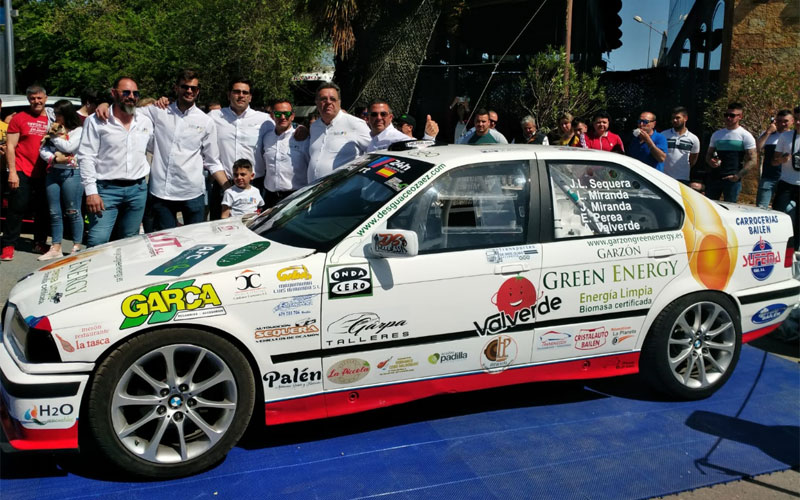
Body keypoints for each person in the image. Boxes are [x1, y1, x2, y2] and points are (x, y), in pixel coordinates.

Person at [97, 69, 230, 229]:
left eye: (193, 88)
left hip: (192, 192)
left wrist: (230, 188)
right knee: (166, 244)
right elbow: (126, 108)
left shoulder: (206, 121)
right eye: (185, 87)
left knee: (195, 242)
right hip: (161, 192)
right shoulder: (157, 111)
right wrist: (105, 104)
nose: (189, 91)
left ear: (198, 91)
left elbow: (212, 161)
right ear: (176, 88)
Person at [78, 76, 154, 247]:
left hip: (137, 190)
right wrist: (91, 192)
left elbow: (155, 148)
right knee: (98, 240)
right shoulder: (96, 121)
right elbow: (86, 157)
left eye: (135, 93)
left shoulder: (145, 121)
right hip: (106, 191)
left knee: (129, 241)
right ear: (113, 93)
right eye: (126, 92)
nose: (131, 96)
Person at [209, 77, 273, 218]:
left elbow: (282, 135)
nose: (241, 95)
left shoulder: (265, 120)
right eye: (237, 91)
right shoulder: (214, 117)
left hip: (255, 187)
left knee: (253, 230)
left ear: (250, 97)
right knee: (219, 229)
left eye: (245, 92)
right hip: (223, 184)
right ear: (229, 95)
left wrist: (301, 130)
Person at [1, 85, 51, 261]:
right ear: (28, 99)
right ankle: (8, 245)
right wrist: (12, 172)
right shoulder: (20, 118)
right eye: (32, 98)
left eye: (39, 98)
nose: (36, 101)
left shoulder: (52, 119)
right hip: (22, 169)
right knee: (17, 208)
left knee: (42, 210)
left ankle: (40, 242)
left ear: (45, 98)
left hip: (46, 172)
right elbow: (11, 147)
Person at [38, 100, 84, 260]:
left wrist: (54, 137)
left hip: (72, 173)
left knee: (73, 211)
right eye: (55, 114)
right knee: (54, 212)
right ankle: (55, 246)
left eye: (58, 114)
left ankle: (77, 246)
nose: (55, 117)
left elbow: (69, 147)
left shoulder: (78, 130)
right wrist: (53, 159)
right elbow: (42, 148)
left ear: (67, 114)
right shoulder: (51, 128)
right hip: (54, 172)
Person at [307, 82, 371, 182]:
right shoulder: (314, 127)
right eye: (323, 99)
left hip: (342, 191)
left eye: (332, 99)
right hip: (314, 192)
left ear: (339, 102)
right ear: (316, 102)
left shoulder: (355, 124)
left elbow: (374, 151)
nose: (328, 102)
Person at [259, 99, 309, 208]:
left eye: (286, 114)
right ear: (272, 116)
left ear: (292, 116)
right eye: (278, 114)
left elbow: (311, 166)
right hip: (270, 197)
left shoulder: (303, 138)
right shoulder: (266, 138)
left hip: (296, 197)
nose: (282, 117)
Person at [705, 102, 757, 202]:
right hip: (714, 177)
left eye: (732, 115)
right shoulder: (717, 134)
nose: (728, 118)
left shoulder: (745, 135)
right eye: (726, 115)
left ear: (740, 117)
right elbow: (708, 155)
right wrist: (711, 161)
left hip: (732, 179)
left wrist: (738, 176)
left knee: (731, 207)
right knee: (710, 205)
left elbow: (753, 160)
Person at [771, 106, 799, 246]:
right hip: (786, 182)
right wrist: (781, 160)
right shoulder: (785, 137)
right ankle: (778, 245)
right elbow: (774, 161)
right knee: (778, 215)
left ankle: (796, 248)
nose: (799, 123)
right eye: (797, 119)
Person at [755, 109, 793, 209]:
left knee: (785, 209)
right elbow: (757, 148)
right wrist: (768, 132)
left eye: (786, 121)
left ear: (792, 121)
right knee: (761, 208)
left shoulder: (793, 137)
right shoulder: (768, 134)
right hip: (769, 177)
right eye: (779, 121)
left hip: (787, 179)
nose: (782, 124)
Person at [662, 106, 701, 182]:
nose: (675, 120)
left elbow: (692, 160)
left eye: (678, 118)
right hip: (664, 177)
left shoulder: (693, 138)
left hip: (683, 178)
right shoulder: (663, 135)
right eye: (673, 118)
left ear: (685, 118)